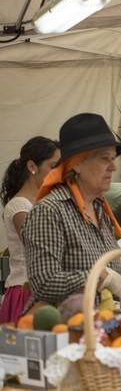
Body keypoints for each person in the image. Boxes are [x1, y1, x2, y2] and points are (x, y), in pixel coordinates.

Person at [21, 113, 121, 309]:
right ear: (77, 164)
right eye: (103, 158)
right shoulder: (49, 211)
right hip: (65, 331)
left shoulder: (100, 211)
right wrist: (101, 277)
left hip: (101, 326)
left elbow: (114, 282)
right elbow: (44, 283)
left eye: (113, 158)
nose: (112, 167)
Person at [0, 137, 60, 324]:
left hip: (45, 290)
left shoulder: (45, 202)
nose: (59, 172)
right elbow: (41, 247)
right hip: (26, 292)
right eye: (53, 166)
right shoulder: (20, 206)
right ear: (32, 166)